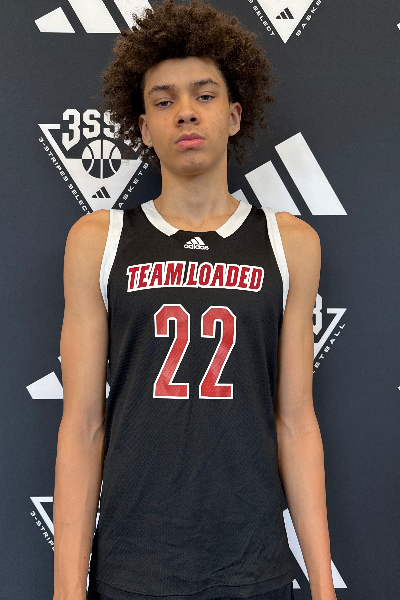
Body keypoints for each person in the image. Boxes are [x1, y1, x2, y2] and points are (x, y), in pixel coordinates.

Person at [52, 2, 337, 600]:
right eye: (164, 101)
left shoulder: (289, 243)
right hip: (134, 571)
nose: (185, 111)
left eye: (204, 95)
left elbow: (295, 423)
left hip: (252, 569)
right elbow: (81, 426)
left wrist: (322, 586)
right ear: (143, 126)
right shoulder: (99, 240)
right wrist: (66, 592)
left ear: (234, 115)